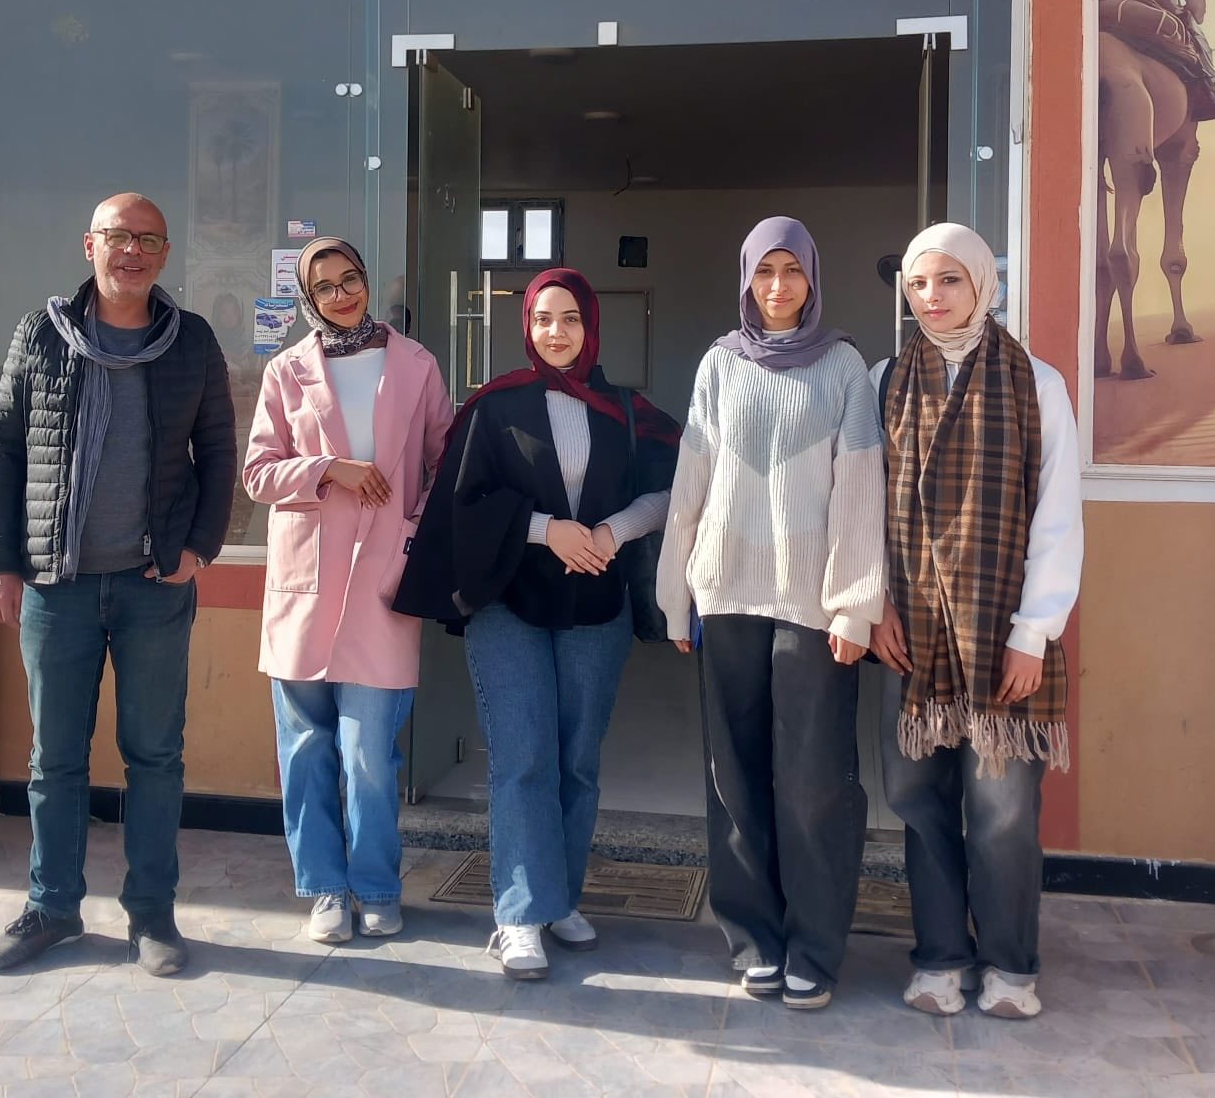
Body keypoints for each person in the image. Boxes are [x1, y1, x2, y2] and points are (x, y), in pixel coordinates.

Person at [0, 194, 236, 976]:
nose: (134, 251)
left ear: (164, 253)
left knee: (155, 756)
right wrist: (0, 560)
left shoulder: (189, 340)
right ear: (89, 244)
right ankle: (52, 907)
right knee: (55, 757)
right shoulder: (41, 335)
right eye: (120, 237)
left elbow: (219, 451)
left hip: (154, 584)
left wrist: (198, 549)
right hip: (57, 586)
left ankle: (151, 916)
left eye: (150, 239)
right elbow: (5, 450)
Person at [394, 269, 679, 980]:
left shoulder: (625, 409)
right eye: (544, 318)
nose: (557, 332)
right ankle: (519, 914)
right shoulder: (495, 407)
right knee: (522, 757)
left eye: (571, 319)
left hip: (595, 604)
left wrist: (612, 531)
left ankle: (560, 900)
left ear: (592, 326)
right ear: (525, 325)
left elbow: (673, 487)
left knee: (577, 758)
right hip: (510, 602)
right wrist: (546, 529)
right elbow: (462, 500)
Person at [656, 217, 886, 1012]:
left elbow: (861, 492)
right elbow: (692, 482)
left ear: (813, 279)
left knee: (815, 780)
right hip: (726, 595)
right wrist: (674, 593)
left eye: (793, 271)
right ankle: (754, 935)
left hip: (813, 605)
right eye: (765, 273)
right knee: (734, 778)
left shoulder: (846, 367)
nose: (780, 287)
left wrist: (856, 606)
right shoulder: (720, 365)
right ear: (747, 280)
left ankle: (816, 947)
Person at [869, 223, 1081, 1022]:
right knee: (917, 799)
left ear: (984, 284)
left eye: (949, 280)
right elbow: (860, 504)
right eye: (919, 283)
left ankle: (1009, 967)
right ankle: (939, 958)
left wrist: (1034, 630)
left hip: (1002, 637)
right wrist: (875, 603)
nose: (932, 296)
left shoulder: (1037, 382)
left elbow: (1058, 515)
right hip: (912, 634)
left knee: (1001, 814)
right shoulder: (883, 378)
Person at [243, 236, 452, 943]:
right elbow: (259, 473)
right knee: (305, 747)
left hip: (383, 582)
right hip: (307, 583)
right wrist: (329, 469)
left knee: (368, 751)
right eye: (325, 286)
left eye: (351, 279)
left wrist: (412, 535)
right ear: (308, 298)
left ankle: (375, 884)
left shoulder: (416, 365)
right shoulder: (285, 372)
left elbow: (443, 463)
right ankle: (325, 889)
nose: (341, 294)